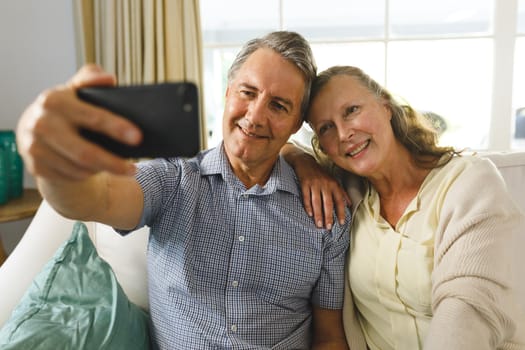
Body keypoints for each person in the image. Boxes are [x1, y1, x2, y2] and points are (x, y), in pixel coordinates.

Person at [16, 32, 352, 349]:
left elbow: (329, 339)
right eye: (248, 93)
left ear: (296, 124)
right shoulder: (174, 179)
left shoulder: (325, 213)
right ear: (227, 92)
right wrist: (53, 165)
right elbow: (95, 198)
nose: (255, 116)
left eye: (278, 105)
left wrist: (301, 157)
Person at [283, 65, 525, 349]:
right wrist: (302, 161)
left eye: (351, 111)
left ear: (385, 106)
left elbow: (467, 309)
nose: (344, 133)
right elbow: (273, 141)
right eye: (326, 128)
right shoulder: (350, 192)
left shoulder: (469, 182)